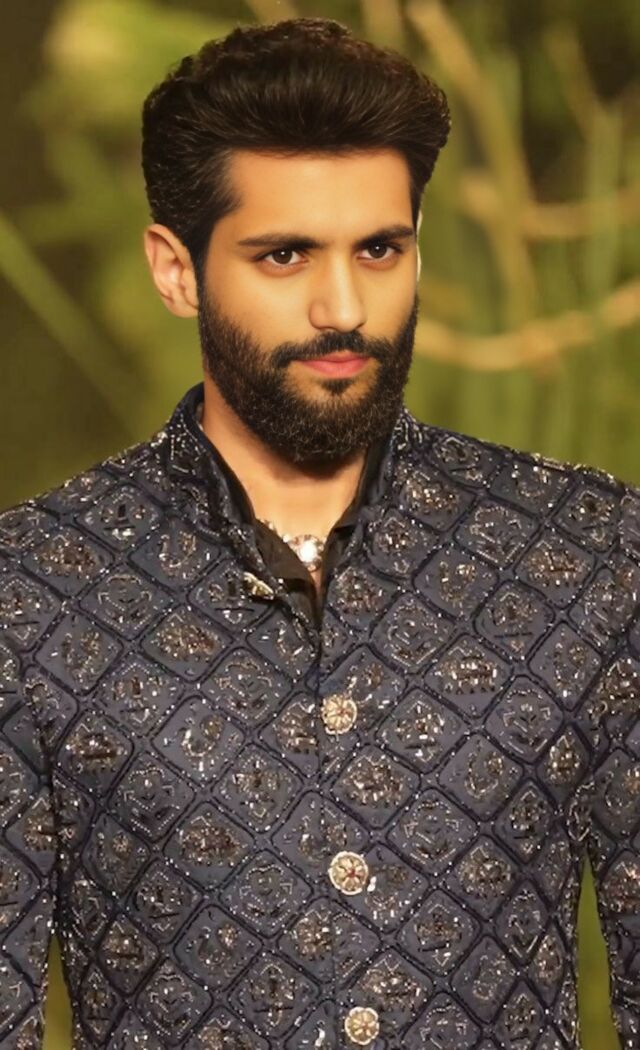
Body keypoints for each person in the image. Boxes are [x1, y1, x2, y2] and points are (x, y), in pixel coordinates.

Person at [0, 15, 638, 1050]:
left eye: (379, 249)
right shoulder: (29, 594)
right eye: (285, 254)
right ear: (175, 269)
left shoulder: (589, 552)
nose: (342, 306)